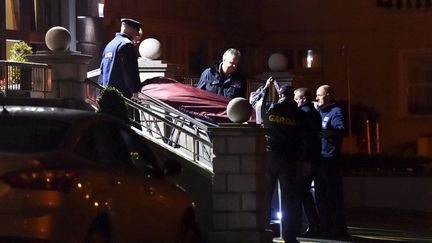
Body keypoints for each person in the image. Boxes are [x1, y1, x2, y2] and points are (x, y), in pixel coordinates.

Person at [261, 77, 305, 243]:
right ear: (292, 96)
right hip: (289, 160)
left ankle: (264, 231)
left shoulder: (271, 110)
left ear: (280, 94)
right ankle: (289, 236)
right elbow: (304, 137)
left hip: (270, 157)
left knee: (265, 196)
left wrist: (266, 88)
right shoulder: (299, 114)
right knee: (288, 199)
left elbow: (260, 106)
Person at [315, 84, 348, 239]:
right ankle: (325, 226)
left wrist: (322, 134)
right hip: (320, 159)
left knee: (332, 194)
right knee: (321, 194)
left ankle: (337, 229)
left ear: (328, 95)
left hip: (330, 160)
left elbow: (340, 130)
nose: (317, 98)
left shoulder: (336, 112)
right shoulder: (318, 111)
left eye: (319, 95)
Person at [293, 88, 323, 237]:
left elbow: (305, 140)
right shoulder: (314, 113)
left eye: (296, 98)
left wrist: (304, 160)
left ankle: (312, 225)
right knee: (305, 193)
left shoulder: (303, 114)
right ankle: (314, 225)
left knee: (302, 192)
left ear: (303, 98)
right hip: (313, 157)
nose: (294, 100)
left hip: (306, 159)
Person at [100, 18, 142, 99]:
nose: (135, 35)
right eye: (135, 31)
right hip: (122, 95)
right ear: (129, 29)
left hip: (107, 92)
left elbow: (102, 69)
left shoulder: (110, 44)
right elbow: (129, 70)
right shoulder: (127, 45)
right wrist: (134, 90)